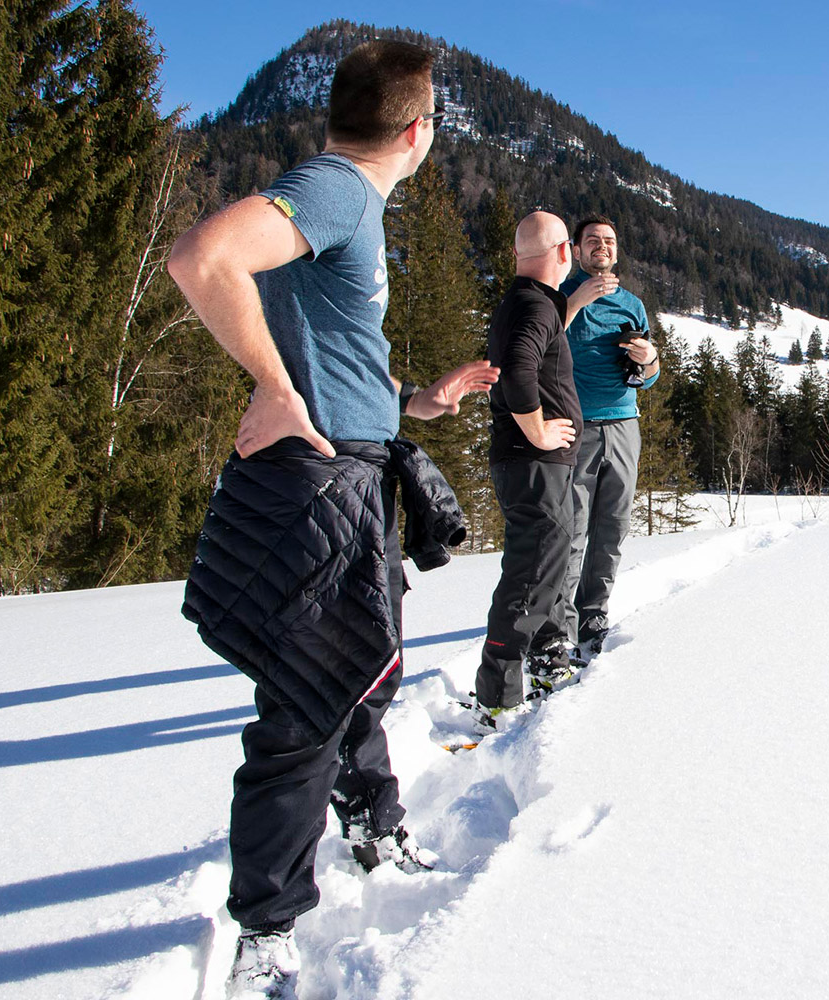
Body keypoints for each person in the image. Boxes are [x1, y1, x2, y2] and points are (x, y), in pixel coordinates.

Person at [167, 40, 498, 999]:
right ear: (418, 128)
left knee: (359, 671)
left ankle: (370, 819)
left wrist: (418, 398)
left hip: (350, 467)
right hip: (319, 484)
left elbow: (332, 350)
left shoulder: (342, 198)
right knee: (303, 709)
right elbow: (204, 257)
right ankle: (267, 924)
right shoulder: (340, 189)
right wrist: (272, 387)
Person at [467, 211, 583, 728]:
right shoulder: (534, 305)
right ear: (562, 252)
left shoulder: (525, 302)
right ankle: (497, 694)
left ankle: (540, 660)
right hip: (532, 460)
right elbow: (516, 370)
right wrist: (537, 430)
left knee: (544, 564)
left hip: (535, 464)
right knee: (532, 570)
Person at [558, 215, 660, 659]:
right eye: (593, 241)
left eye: (610, 241)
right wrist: (576, 301)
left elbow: (647, 378)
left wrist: (650, 358)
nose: (603, 246)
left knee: (612, 529)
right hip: (574, 425)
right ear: (576, 250)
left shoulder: (632, 305)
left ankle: (593, 615)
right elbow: (534, 342)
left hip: (623, 425)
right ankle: (557, 626)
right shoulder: (560, 294)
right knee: (572, 529)